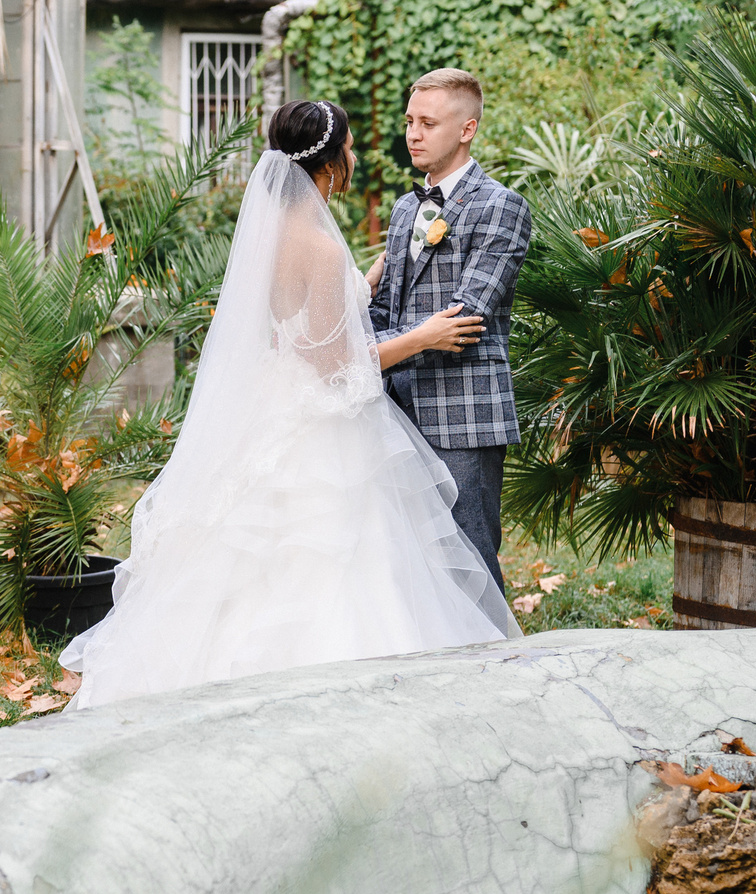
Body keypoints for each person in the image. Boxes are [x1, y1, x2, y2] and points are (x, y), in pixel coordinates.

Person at [61, 98, 517, 707]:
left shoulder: (271, 236)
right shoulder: (320, 248)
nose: (355, 156)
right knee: (334, 556)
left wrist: (363, 283)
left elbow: (301, 325)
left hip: (278, 404)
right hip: (322, 422)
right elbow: (335, 366)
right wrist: (422, 337)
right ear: (328, 165)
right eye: (349, 148)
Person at [365, 68, 533, 594]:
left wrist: (373, 352)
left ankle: (494, 648)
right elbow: (385, 308)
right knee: (406, 562)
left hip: (463, 412)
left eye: (428, 123)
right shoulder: (404, 210)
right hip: (393, 413)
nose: (413, 134)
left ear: (467, 129)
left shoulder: (501, 206)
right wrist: (360, 350)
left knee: (469, 561)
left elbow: (465, 318)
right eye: (409, 121)